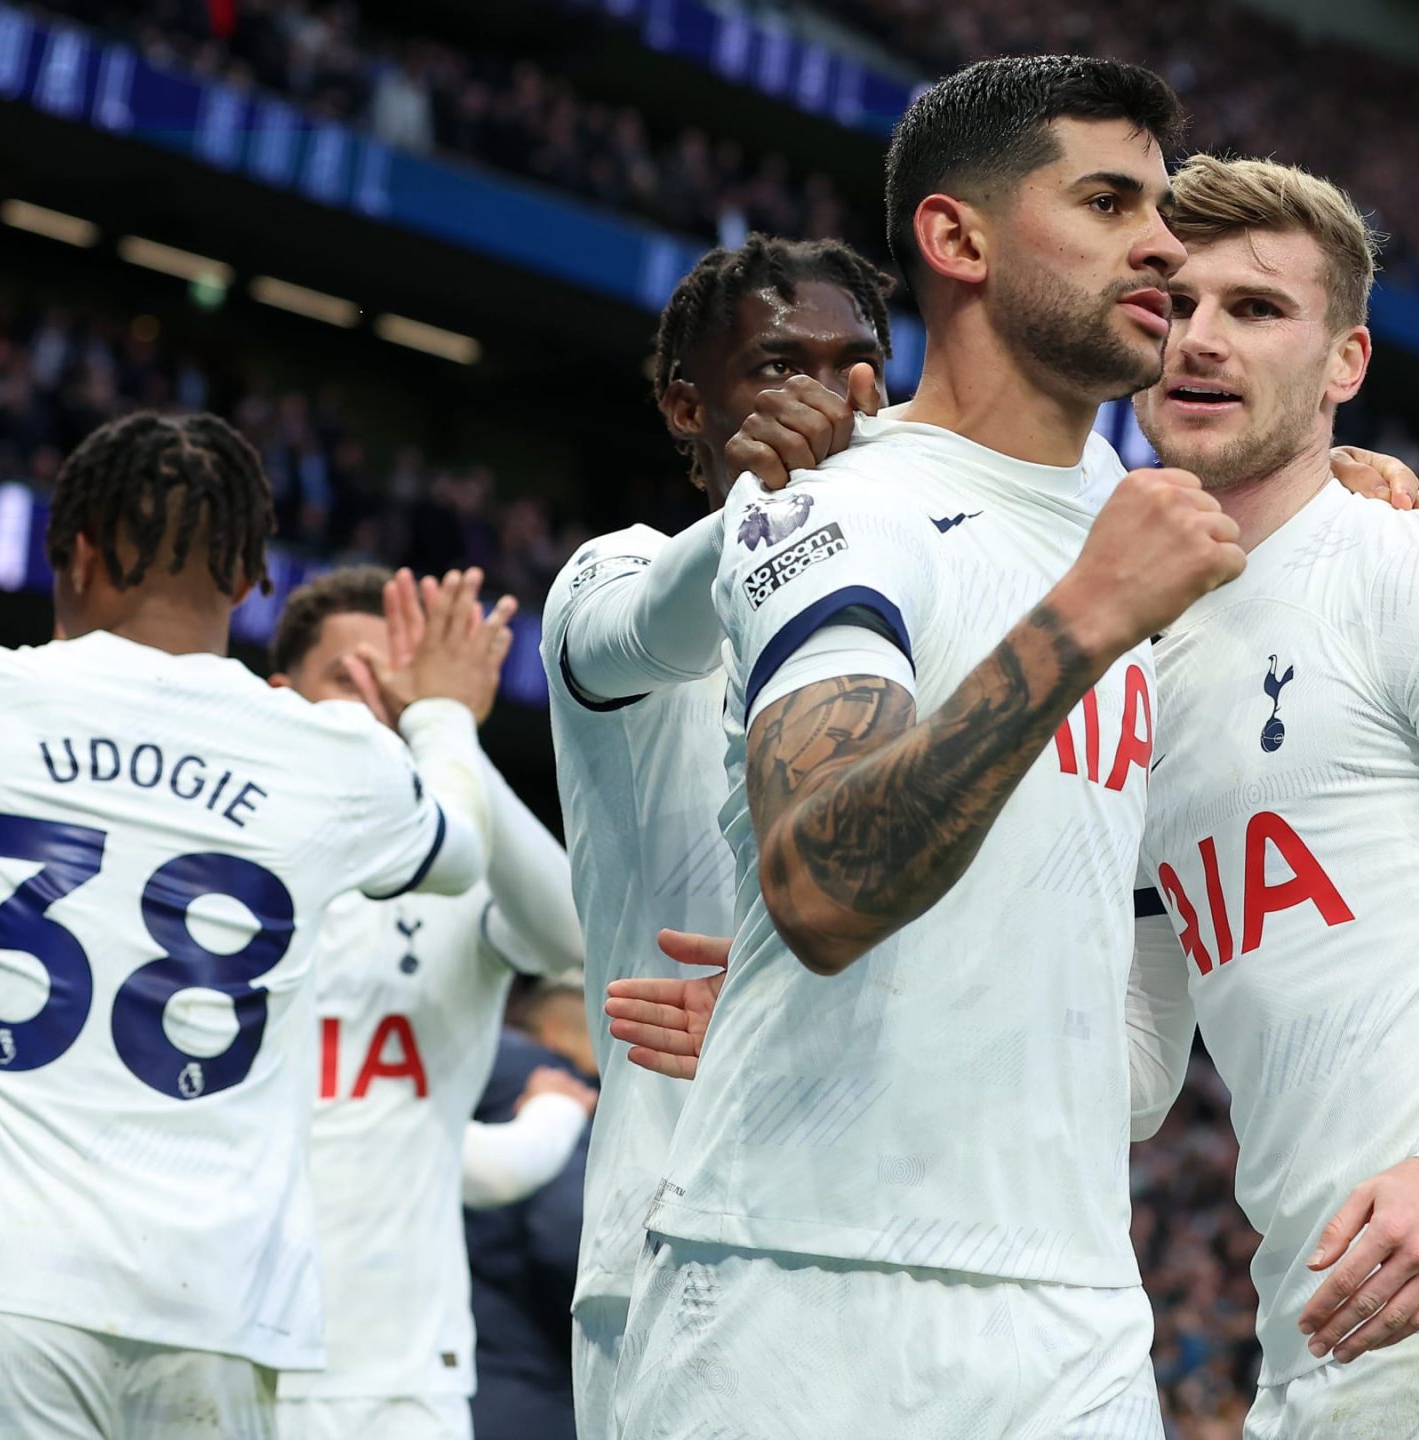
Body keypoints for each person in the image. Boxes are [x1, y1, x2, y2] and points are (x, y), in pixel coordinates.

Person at [609, 156, 1419, 1438]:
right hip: (1315, 1322)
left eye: (1258, 310)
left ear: (1344, 363)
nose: (1201, 340)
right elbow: (1131, 1065)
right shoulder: (1137, 648)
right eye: (1178, 305)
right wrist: (855, 1014)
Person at [604, 53, 1243, 1437]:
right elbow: (822, 887)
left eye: (1166, 210)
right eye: (1108, 203)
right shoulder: (838, 505)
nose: (1164, 247)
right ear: (957, 238)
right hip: (798, 1293)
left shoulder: (1159, 539)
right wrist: (1086, 617)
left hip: (1074, 1314)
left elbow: (1136, 1065)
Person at [0, 412, 509, 1439]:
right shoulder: (331, 757)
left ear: (74, 551)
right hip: (219, 1303)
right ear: (249, 580)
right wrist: (441, 715)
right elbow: (462, 850)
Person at [536, 232, 894, 1439]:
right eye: (780, 366)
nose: (830, 400)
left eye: (857, 365)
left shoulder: (911, 610)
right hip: (678, 1234)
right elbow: (654, 625)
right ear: (689, 405)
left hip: (896, 1232)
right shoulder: (616, 573)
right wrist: (774, 505)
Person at [262, 565, 589, 1440]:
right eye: (355, 679)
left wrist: (448, 730)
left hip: (399, 1379)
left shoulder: (460, 881)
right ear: (282, 698)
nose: (385, 704)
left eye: (404, 683)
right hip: (217, 1347)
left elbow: (571, 935)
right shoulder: (215, 864)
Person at [466, 979, 599, 1440]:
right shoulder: (560, 1092)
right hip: (528, 1390)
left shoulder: (444, 1082)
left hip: (438, 1378)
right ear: (556, 1029)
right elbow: (567, 1235)